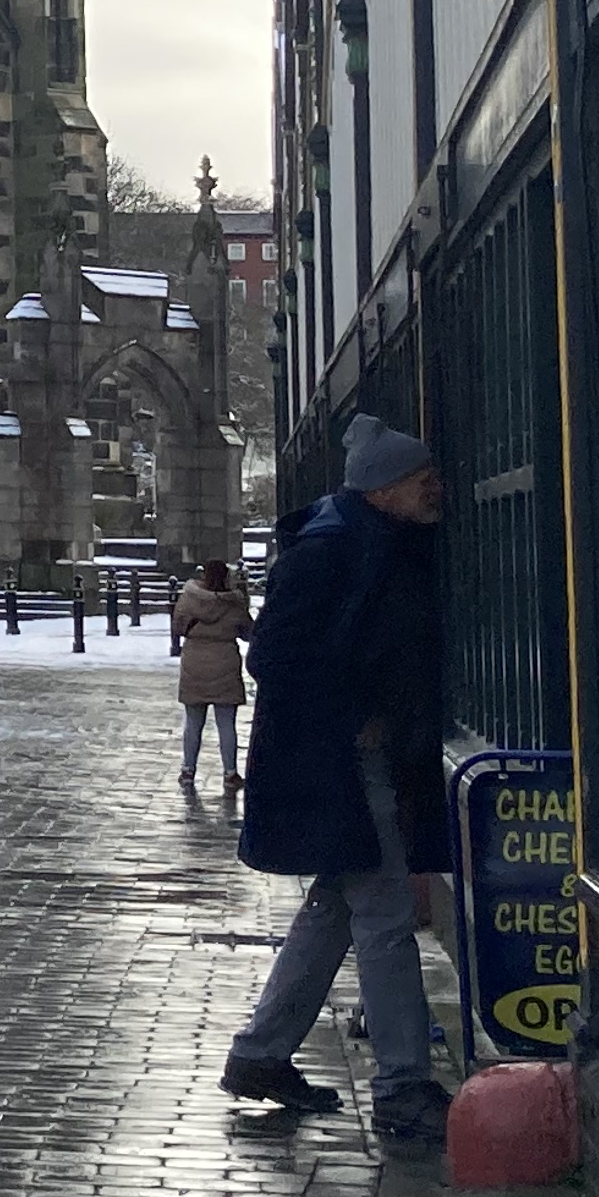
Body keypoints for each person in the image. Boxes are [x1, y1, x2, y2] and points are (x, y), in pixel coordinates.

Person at [219, 417, 453, 1145]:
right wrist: (356, 716)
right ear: (385, 489)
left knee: (336, 909)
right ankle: (403, 1087)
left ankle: (260, 1056)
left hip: (345, 766)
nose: (435, 491)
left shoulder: (370, 541)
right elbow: (273, 660)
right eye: (423, 481)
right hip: (337, 767)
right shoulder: (332, 551)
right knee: (383, 916)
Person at [172, 556, 251, 795]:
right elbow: (248, 632)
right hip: (225, 662)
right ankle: (230, 773)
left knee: (193, 723)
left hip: (194, 662)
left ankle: (188, 770)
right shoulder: (235, 603)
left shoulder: (189, 599)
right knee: (226, 724)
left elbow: (178, 626)